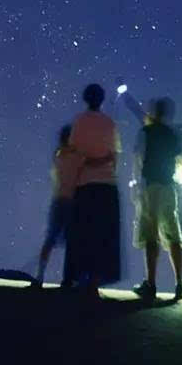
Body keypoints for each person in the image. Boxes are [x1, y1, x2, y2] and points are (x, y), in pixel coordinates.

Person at [121, 89, 182, 302]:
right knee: (174, 237)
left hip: (150, 188)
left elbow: (138, 159)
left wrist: (135, 185)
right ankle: (180, 285)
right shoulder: (174, 134)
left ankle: (150, 284)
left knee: (150, 237)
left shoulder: (146, 132)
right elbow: (181, 156)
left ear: (154, 112)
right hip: (169, 189)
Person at [65, 83, 122, 295]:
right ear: (102, 99)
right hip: (106, 185)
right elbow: (114, 155)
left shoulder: (79, 122)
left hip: (84, 184)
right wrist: (103, 163)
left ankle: (81, 278)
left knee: (83, 234)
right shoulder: (109, 123)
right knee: (102, 236)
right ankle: (95, 284)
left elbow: (75, 152)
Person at [29, 124, 79, 288]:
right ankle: (69, 279)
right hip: (71, 202)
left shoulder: (58, 155)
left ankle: (40, 276)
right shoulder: (75, 156)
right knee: (72, 242)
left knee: (50, 239)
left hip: (58, 200)